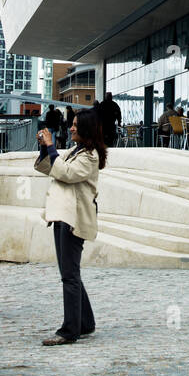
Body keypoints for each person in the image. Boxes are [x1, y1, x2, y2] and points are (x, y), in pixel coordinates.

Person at [34, 109, 106, 345]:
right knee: (70, 273)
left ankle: (70, 330)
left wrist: (52, 146)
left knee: (69, 275)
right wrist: (46, 148)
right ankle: (85, 322)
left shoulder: (90, 156)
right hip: (62, 216)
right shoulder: (77, 150)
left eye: (75, 125)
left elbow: (65, 173)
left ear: (86, 129)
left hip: (74, 219)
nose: (71, 128)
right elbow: (49, 167)